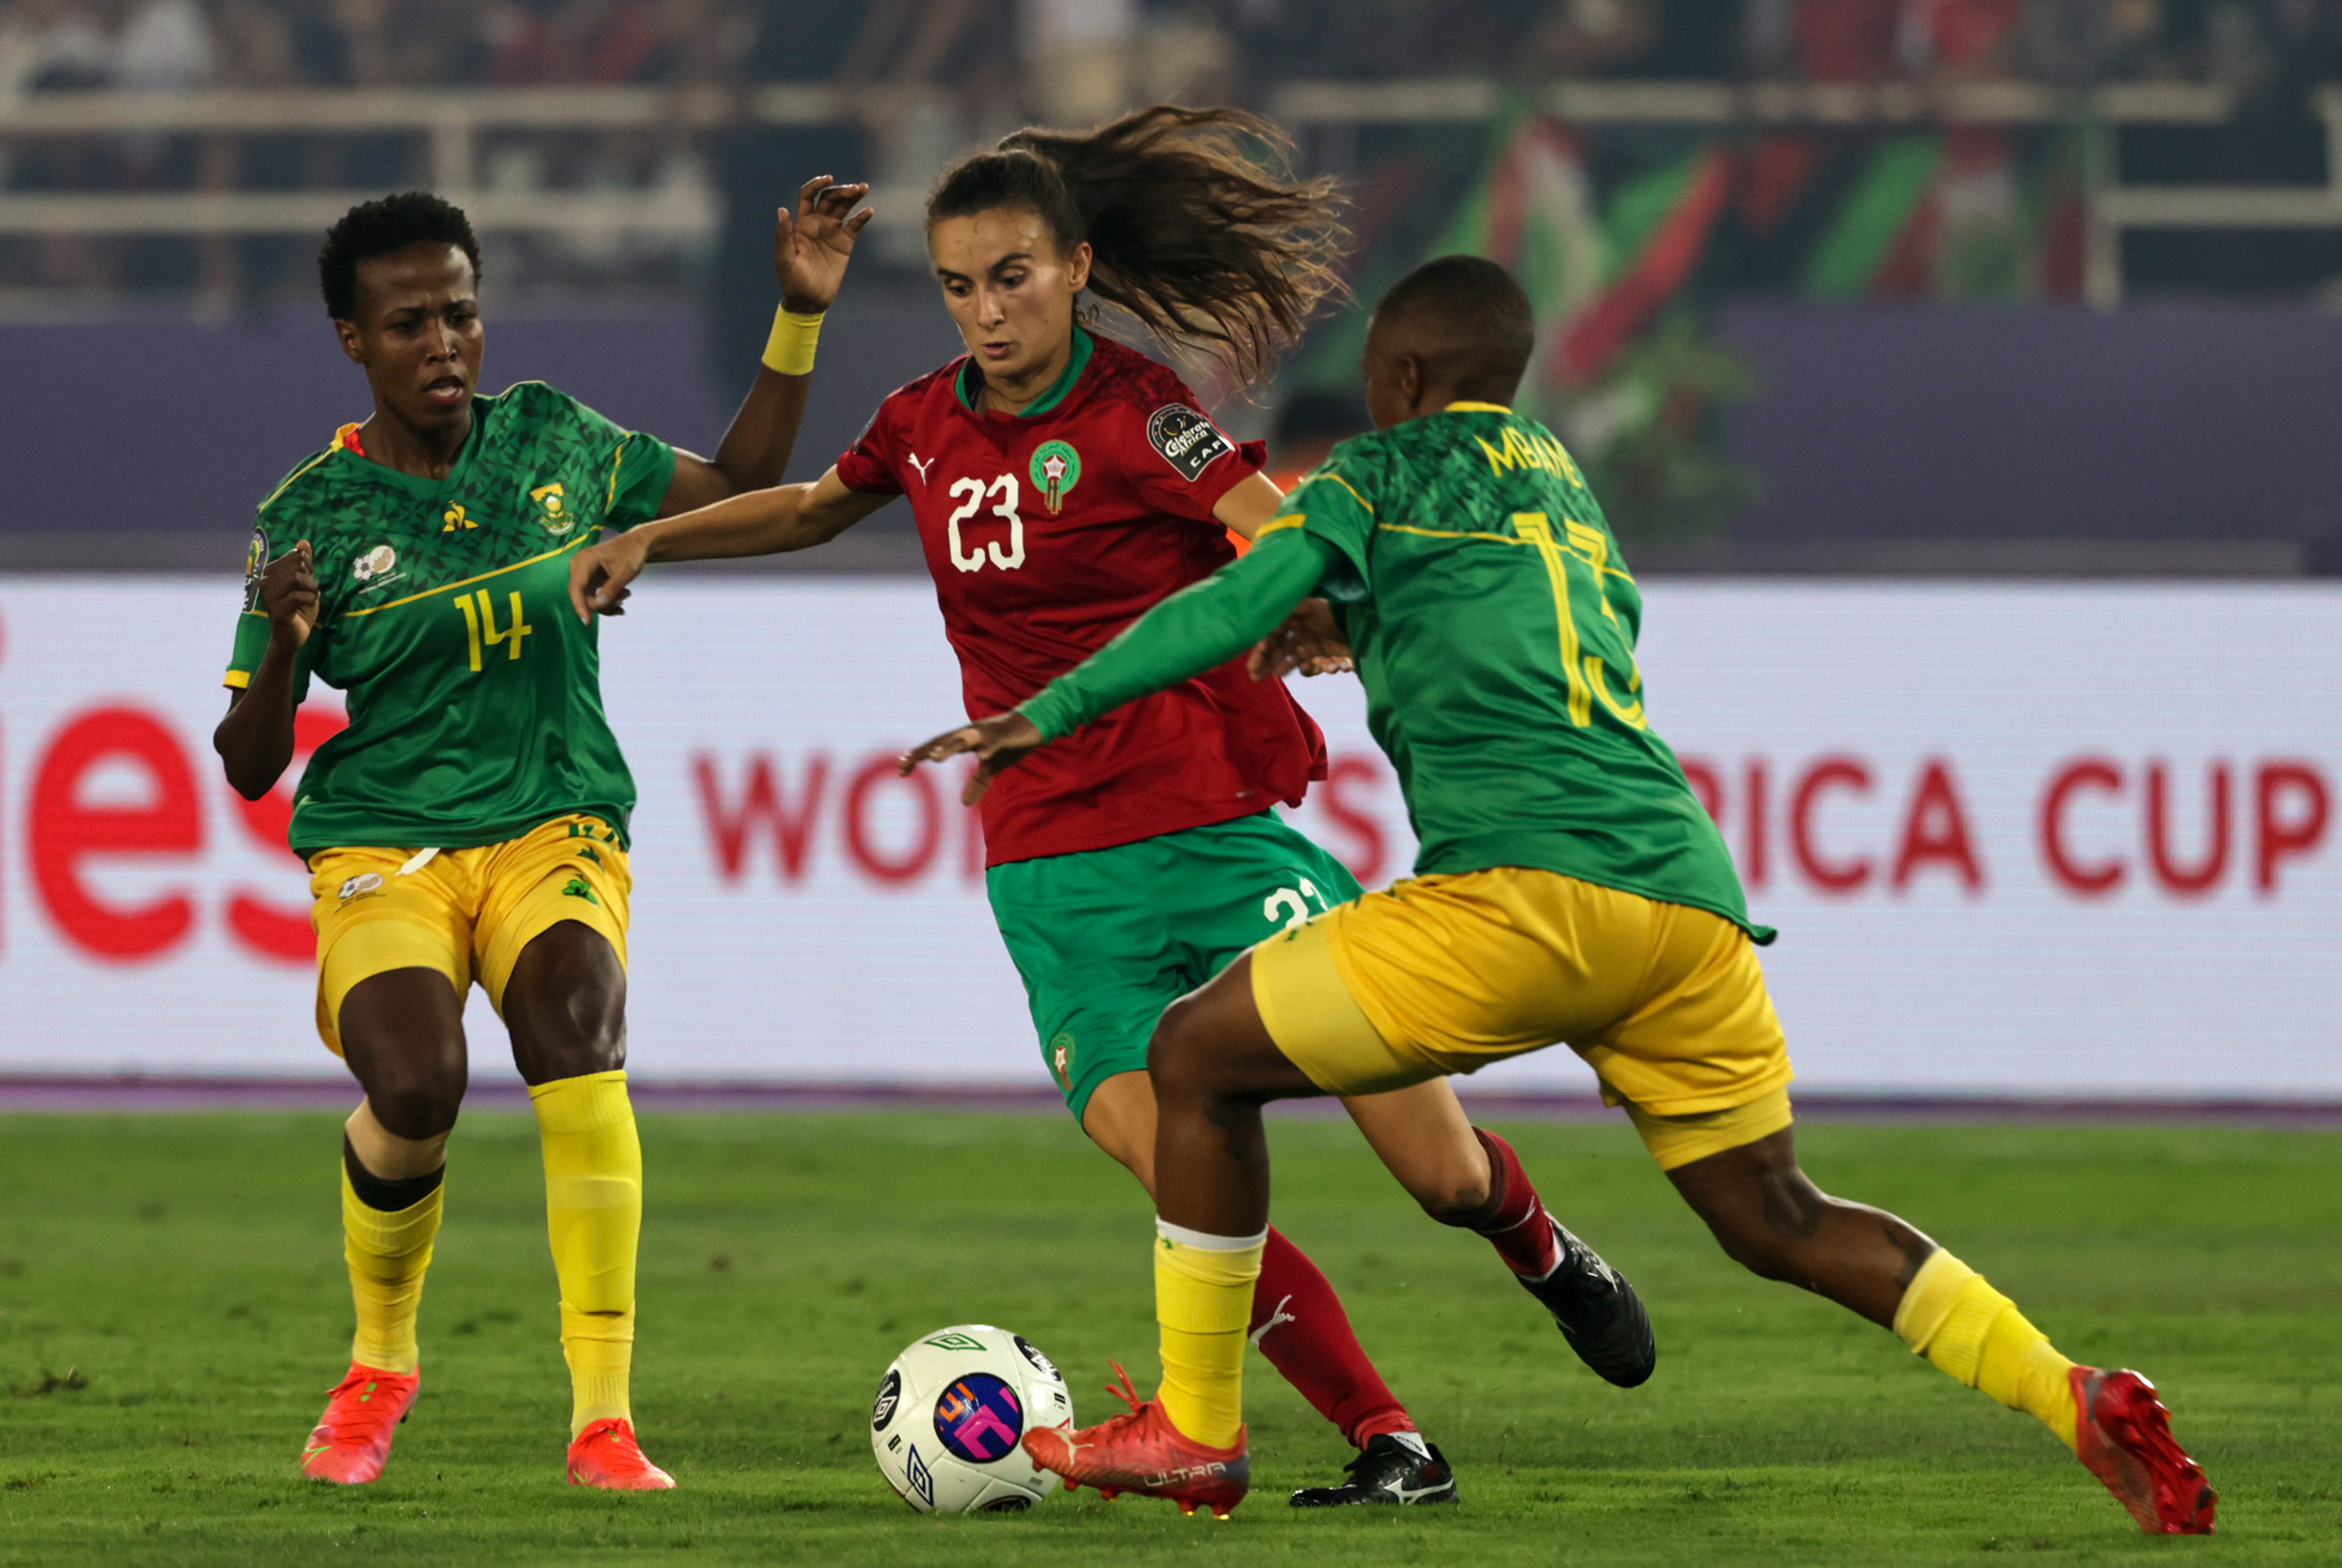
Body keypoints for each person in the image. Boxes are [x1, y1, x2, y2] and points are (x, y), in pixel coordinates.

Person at [902, 254, 2217, 1534]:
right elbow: (1473, 628)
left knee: (1194, 1057)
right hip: (1687, 908)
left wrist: (1054, 709)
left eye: (1373, 374)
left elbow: (1234, 599)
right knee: (1781, 1217)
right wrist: (1355, 627)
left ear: (1405, 372)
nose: (1365, 398)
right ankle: (2076, 1393)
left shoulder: (1379, 470)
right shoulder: (1562, 487)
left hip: (1523, 897)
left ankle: (1196, 1429)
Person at [568, 107, 1655, 1507]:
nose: (986, 311)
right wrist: (654, 534)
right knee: (1190, 1188)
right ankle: (1390, 1438)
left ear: (1076, 266)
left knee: (1439, 1171)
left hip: (1214, 835)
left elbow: (1265, 519)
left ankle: (1543, 1251)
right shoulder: (919, 423)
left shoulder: (1139, 411)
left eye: (1011, 276)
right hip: (1053, 875)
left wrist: (1315, 600)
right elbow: (805, 509)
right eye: (960, 285)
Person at [212, 180, 873, 1489]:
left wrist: (798, 316)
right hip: (383, 844)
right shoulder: (309, 520)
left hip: (553, 819)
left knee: (576, 1035)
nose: (443, 345)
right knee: (413, 1090)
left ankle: (604, 1422)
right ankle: (382, 1365)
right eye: (408, 324)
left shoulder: (555, 440)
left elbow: (742, 482)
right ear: (355, 339)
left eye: (459, 314)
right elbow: (243, 765)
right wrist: (287, 653)